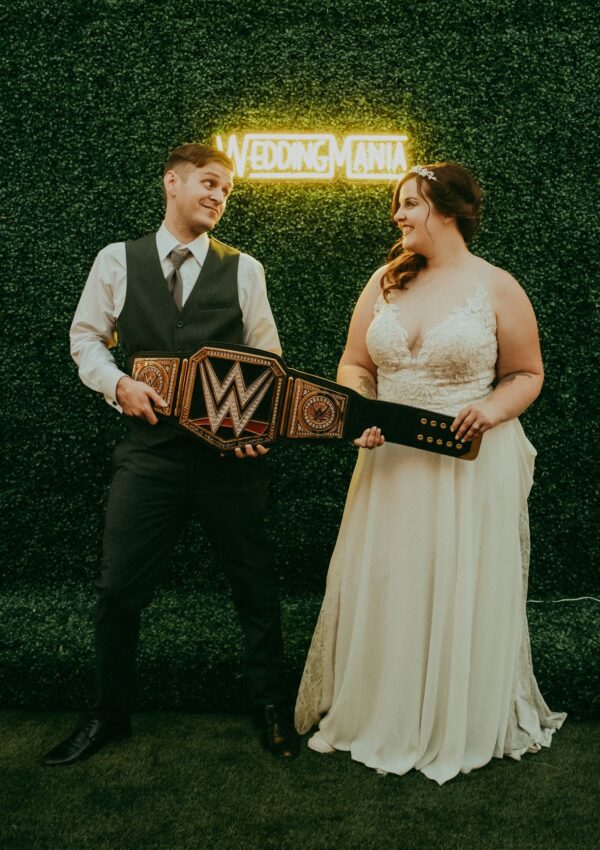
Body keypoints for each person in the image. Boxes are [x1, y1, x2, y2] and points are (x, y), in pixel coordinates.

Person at [295, 162, 565, 783]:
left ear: (447, 210)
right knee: (390, 581)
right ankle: (379, 711)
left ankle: (456, 718)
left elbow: (526, 374)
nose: (398, 215)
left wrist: (491, 410)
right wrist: (356, 411)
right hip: (389, 463)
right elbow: (354, 363)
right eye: (398, 204)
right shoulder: (385, 281)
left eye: (409, 204)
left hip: (465, 467)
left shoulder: (497, 286)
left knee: (456, 581)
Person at [43, 143, 298, 765]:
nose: (218, 195)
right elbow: (86, 339)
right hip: (149, 456)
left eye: (227, 190)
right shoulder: (115, 260)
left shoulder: (246, 270)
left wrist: (256, 427)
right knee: (118, 588)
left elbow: (269, 363)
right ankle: (109, 714)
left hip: (227, 463)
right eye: (209, 183)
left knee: (256, 587)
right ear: (173, 183)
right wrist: (118, 384)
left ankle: (269, 707)